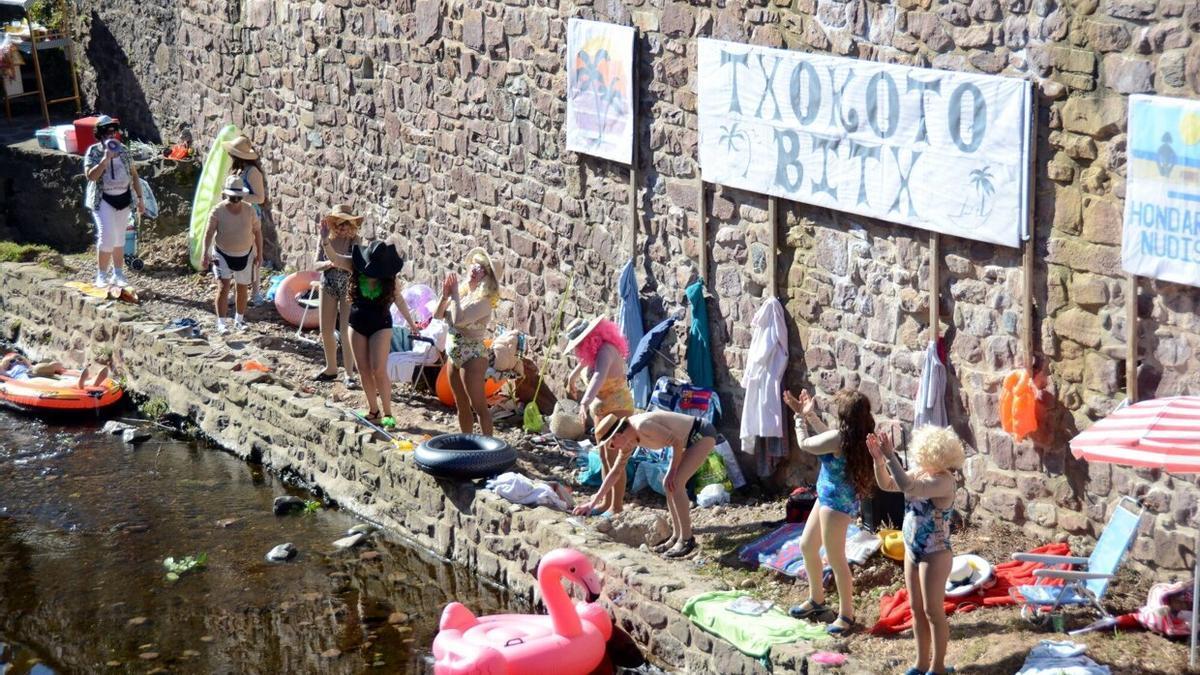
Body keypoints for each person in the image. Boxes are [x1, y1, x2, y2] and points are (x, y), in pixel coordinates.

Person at [868, 426, 963, 675]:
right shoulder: (921, 472)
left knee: (933, 611)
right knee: (915, 608)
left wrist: (891, 457)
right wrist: (879, 461)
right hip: (913, 550)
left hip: (936, 553)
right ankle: (921, 664)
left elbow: (909, 487)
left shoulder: (943, 480)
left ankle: (938, 667)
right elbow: (889, 484)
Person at [785, 389, 876, 635]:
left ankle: (847, 615)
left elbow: (807, 444)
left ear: (844, 416)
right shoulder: (854, 435)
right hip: (828, 498)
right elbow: (828, 437)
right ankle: (817, 600)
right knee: (807, 545)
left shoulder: (840, 437)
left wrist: (799, 418)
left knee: (836, 559)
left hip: (835, 505)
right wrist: (811, 415)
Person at [574, 411, 717, 558]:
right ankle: (675, 536)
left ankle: (687, 539)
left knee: (676, 482)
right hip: (687, 440)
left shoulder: (643, 426)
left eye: (611, 444)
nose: (612, 448)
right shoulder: (629, 441)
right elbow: (615, 473)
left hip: (700, 434)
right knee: (669, 486)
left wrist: (672, 470)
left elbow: (676, 442)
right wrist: (592, 503)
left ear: (617, 435)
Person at [562, 316, 634, 515]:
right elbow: (585, 366)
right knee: (604, 457)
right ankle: (605, 503)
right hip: (601, 410)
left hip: (617, 408)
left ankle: (616, 507)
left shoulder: (606, 350)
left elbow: (598, 375)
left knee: (614, 458)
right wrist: (572, 376)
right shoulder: (594, 353)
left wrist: (584, 401)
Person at [342, 240, 417, 427]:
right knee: (363, 369)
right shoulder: (356, 267)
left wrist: (411, 323)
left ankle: (388, 413)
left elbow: (398, 299)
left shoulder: (389, 277)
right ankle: (373, 411)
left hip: (381, 324)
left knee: (379, 369)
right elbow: (335, 260)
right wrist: (326, 241)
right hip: (357, 322)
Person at [434, 248, 502, 436]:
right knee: (461, 404)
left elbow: (458, 320)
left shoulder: (485, 301)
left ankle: (489, 449)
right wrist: (445, 295)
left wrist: (454, 294)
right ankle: (466, 442)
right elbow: (438, 315)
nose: (475, 269)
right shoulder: (463, 292)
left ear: (487, 278)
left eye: (481, 268)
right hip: (454, 352)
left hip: (472, 355)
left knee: (478, 405)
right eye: (475, 264)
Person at [83, 115, 145, 288]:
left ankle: (118, 273)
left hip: (124, 198)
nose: (111, 136)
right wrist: (105, 160)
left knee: (119, 238)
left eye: (113, 132)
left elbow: (134, 175)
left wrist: (140, 199)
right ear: (100, 135)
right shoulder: (94, 152)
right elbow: (91, 176)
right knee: (107, 236)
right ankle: (101, 275)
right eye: (107, 132)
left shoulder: (124, 150)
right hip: (103, 199)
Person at [200, 176, 263, 335]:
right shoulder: (217, 211)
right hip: (222, 253)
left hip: (245, 254)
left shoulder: (250, 210)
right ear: (226, 195)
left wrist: (259, 254)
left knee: (242, 288)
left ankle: (239, 321)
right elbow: (208, 233)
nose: (235, 200)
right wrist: (205, 254)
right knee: (223, 287)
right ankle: (221, 323)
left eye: (238, 197)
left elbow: (257, 232)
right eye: (232, 197)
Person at [313, 204, 362, 388]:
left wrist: (337, 261)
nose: (343, 228)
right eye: (339, 223)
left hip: (348, 286)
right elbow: (315, 264)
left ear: (352, 226)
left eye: (346, 224)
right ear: (333, 224)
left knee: (345, 331)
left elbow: (356, 264)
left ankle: (349, 374)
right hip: (328, 284)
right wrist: (328, 263)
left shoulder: (355, 240)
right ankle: (331, 368)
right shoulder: (325, 238)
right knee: (325, 329)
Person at [222, 135, 274, 305]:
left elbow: (260, 198)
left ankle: (256, 292)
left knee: (252, 252)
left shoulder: (252, 172)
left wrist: (240, 197)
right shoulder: (238, 171)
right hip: (234, 213)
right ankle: (233, 291)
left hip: (248, 214)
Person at [0, 353, 108, 390]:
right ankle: (81, 383)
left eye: (18, 360)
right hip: (26, 380)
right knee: (54, 385)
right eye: (13, 361)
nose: (17, 362)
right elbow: (2, 369)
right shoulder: (10, 373)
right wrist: (9, 361)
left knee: (59, 380)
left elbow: (30, 365)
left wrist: (22, 359)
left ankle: (91, 382)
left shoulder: (28, 366)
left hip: (36, 374)